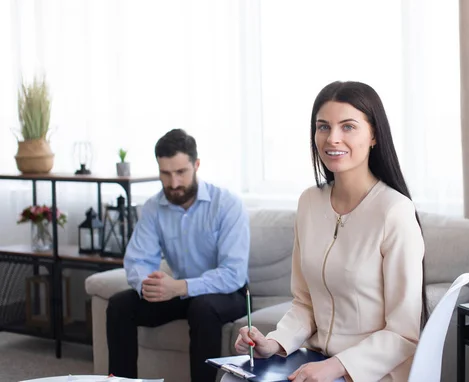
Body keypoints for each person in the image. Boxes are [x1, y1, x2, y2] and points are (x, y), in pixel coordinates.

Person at [232, 81, 427, 382]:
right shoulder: (309, 202)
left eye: (348, 127)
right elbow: (305, 302)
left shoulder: (394, 211)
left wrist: (337, 366)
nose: (332, 138)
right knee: (231, 378)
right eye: (323, 127)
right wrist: (274, 342)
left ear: (374, 134)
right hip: (316, 359)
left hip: (370, 372)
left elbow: (403, 333)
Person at [106, 128, 250, 382]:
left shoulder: (227, 204)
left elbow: (233, 274)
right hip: (180, 292)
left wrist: (180, 287)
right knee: (120, 305)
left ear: (196, 165)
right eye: (166, 174)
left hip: (229, 293)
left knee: (203, 308)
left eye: (181, 172)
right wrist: (148, 285)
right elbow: (137, 260)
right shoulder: (153, 207)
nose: (173, 184)